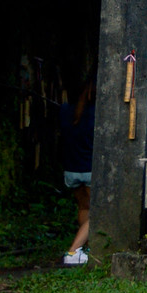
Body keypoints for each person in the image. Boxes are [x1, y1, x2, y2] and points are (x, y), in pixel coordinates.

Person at [59, 79, 94, 266]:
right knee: (96, 213)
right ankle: (73, 251)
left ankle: (84, 249)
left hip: (71, 169)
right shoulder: (95, 113)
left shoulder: (65, 111)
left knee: (84, 208)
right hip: (90, 169)